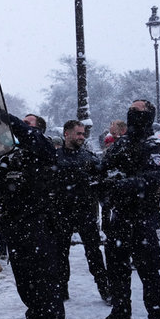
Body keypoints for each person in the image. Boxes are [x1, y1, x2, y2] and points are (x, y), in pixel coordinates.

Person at [0, 112, 66, 319]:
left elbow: (28, 134)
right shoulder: (7, 156)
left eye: (28, 123)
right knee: (26, 284)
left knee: (46, 284)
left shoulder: (44, 150)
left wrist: (5, 115)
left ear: (38, 130)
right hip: (14, 228)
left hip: (40, 227)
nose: (22, 126)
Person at [96, 99, 160, 319]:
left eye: (137, 110)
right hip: (119, 215)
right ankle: (121, 313)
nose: (132, 112)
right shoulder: (123, 142)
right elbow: (103, 167)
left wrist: (120, 184)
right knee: (116, 268)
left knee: (149, 272)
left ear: (148, 115)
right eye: (130, 109)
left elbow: (151, 179)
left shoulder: (154, 145)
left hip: (143, 217)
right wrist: (105, 184)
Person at [54, 120, 110, 303]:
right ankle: (61, 289)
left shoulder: (89, 158)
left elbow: (102, 181)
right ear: (66, 134)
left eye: (83, 133)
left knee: (94, 253)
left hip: (86, 212)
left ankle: (104, 288)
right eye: (78, 133)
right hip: (61, 212)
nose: (81, 137)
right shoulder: (55, 157)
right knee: (60, 254)